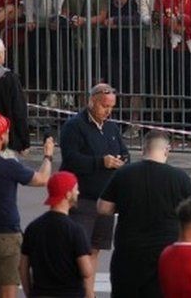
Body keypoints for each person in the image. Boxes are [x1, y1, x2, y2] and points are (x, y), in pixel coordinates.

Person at [98, 130, 191, 298]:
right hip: (165, 254)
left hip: (128, 253)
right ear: (166, 150)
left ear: (143, 149)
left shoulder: (123, 174)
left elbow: (103, 208)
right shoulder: (179, 178)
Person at [0, 114, 54, 298]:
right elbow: (42, 179)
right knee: (7, 293)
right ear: (1, 137)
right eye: (6, 132)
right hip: (6, 235)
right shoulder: (8, 165)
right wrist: (48, 156)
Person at [59, 83, 127, 265]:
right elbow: (71, 159)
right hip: (82, 200)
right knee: (78, 251)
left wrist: (123, 160)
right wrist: (100, 162)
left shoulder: (111, 128)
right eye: (104, 106)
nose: (108, 111)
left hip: (105, 200)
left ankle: (89, 293)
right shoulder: (74, 126)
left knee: (94, 249)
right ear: (91, 101)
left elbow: (124, 151)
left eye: (112, 107)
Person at [19, 172, 95, 298]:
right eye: (76, 189)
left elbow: (23, 267)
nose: (78, 193)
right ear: (68, 194)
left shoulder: (33, 228)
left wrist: (30, 294)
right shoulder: (75, 230)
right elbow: (86, 271)